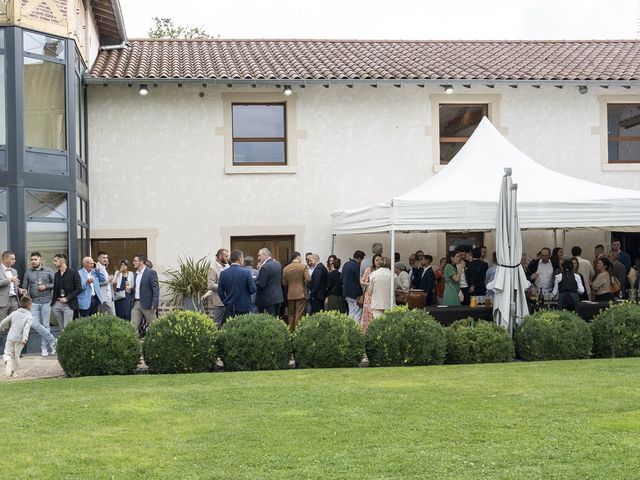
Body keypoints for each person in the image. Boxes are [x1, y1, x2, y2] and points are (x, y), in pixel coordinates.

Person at [23, 252, 55, 356]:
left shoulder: (49, 270)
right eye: (31, 259)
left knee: (45, 324)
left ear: (40, 259)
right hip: (34, 302)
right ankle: (53, 341)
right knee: (34, 323)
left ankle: (44, 349)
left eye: (35, 259)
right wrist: (24, 294)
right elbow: (25, 286)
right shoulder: (28, 272)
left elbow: (56, 284)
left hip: (46, 300)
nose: (33, 261)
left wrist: (46, 286)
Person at [218, 249, 256, 321]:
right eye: (243, 257)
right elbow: (253, 289)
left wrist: (226, 302)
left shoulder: (223, 273)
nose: (243, 259)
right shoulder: (246, 272)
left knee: (231, 329)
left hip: (230, 307)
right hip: (245, 308)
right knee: (244, 329)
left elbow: (220, 291)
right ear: (240, 258)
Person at [1, 296, 33, 377]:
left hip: (10, 337)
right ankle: (12, 372)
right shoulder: (29, 316)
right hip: (20, 340)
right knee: (16, 357)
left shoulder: (14, 313)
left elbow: (3, 321)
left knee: (7, 353)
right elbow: (26, 328)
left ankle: (7, 360)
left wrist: (1, 327)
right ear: (29, 305)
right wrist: (25, 338)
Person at [131, 254, 159, 337]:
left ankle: (157, 343)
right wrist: (130, 290)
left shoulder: (151, 272)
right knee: (132, 326)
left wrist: (154, 303)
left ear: (141, 262)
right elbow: (138, 288)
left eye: (135, 261)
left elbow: (155, 289)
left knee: (154, 326)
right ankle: (134, 345)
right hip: (136, 303)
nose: (133, 262)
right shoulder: (135, 274)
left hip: (148, 304)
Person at [50, 253, 82, 331]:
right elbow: (55, 289)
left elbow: (79, 289)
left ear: (62, 261)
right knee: (62, 328)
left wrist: (67, 298)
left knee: (67, 328)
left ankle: (66, 342)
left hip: (68, 304)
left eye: (56, 261)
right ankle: (64, 341)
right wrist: (53, 305)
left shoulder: (74, 273)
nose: (54, 263)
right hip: (57, 304)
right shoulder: (56, 274)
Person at [282, 251, 310, 331]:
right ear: (298, 257)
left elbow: (284, 283)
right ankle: (297, 332)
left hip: (290, 294)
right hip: (301, 294)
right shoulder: (303, 267)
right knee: (299, 314)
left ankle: (290, 331)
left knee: (291, 314)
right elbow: (308, 279)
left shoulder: (285, 268)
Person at [255, 248, 284, 316]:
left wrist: (254, 280)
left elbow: (261, 284)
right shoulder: (278, 264)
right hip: (278, 298)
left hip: (267, 300)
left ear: (265, 255)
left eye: (259, 255)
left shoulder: (265, 267)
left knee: (268, 322)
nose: (258, 258)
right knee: (276, 321)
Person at [206, 248, 229, 328]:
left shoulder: (227, 267)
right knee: (217, 324)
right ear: (219, 256)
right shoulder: (212, 268)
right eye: (226, 256)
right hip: (218, 301)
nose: (228, 258)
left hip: (228, 300)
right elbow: (210, 284)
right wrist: (224, 287)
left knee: (227, 324)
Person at [0, 251, 26, 321]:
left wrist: (20, 290)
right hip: (2, 302)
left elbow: (14, 286)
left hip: (14, 301)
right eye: (12, 259)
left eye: (14, 259)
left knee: (16, 323)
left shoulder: (14, 271)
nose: (15, 261)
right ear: (5, 259)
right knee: (2, 325)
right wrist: (9, 280)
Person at [360, 254, 382, 332]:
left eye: (380, 260)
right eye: (377, 260)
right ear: (373, 261)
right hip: (369, 295)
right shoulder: (369, 269)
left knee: (377, 314)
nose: (379, 262)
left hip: (379, 294)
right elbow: (362, 281)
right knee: (367, 313)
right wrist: (371, 284)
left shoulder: (383, 271)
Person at [342, 250, 365, 323]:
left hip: (347, 291)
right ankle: (356, 328)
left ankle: (350, 327)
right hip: (356, 293)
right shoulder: (357, 266)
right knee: (358, 312)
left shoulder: (346, 264)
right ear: (359, 258)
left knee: (351, 311)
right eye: (361, 259)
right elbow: (358, 280)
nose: (361, 262)